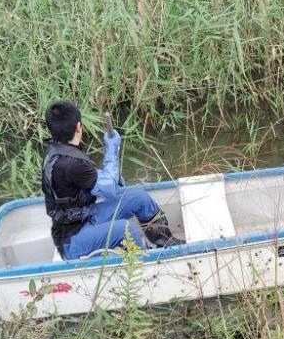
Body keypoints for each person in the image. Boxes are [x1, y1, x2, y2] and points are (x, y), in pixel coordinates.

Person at [41, 100, 183, 260]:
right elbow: (108, 188)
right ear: (78, 127)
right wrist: (112, 149)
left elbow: (92, 179)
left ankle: (167, 245)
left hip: (85, 216)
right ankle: (147, 262)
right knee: (126, 229)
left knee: (139, 197)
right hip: (72, 240)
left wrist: (113, 177)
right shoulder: (69, 163)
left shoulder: (60, 150)